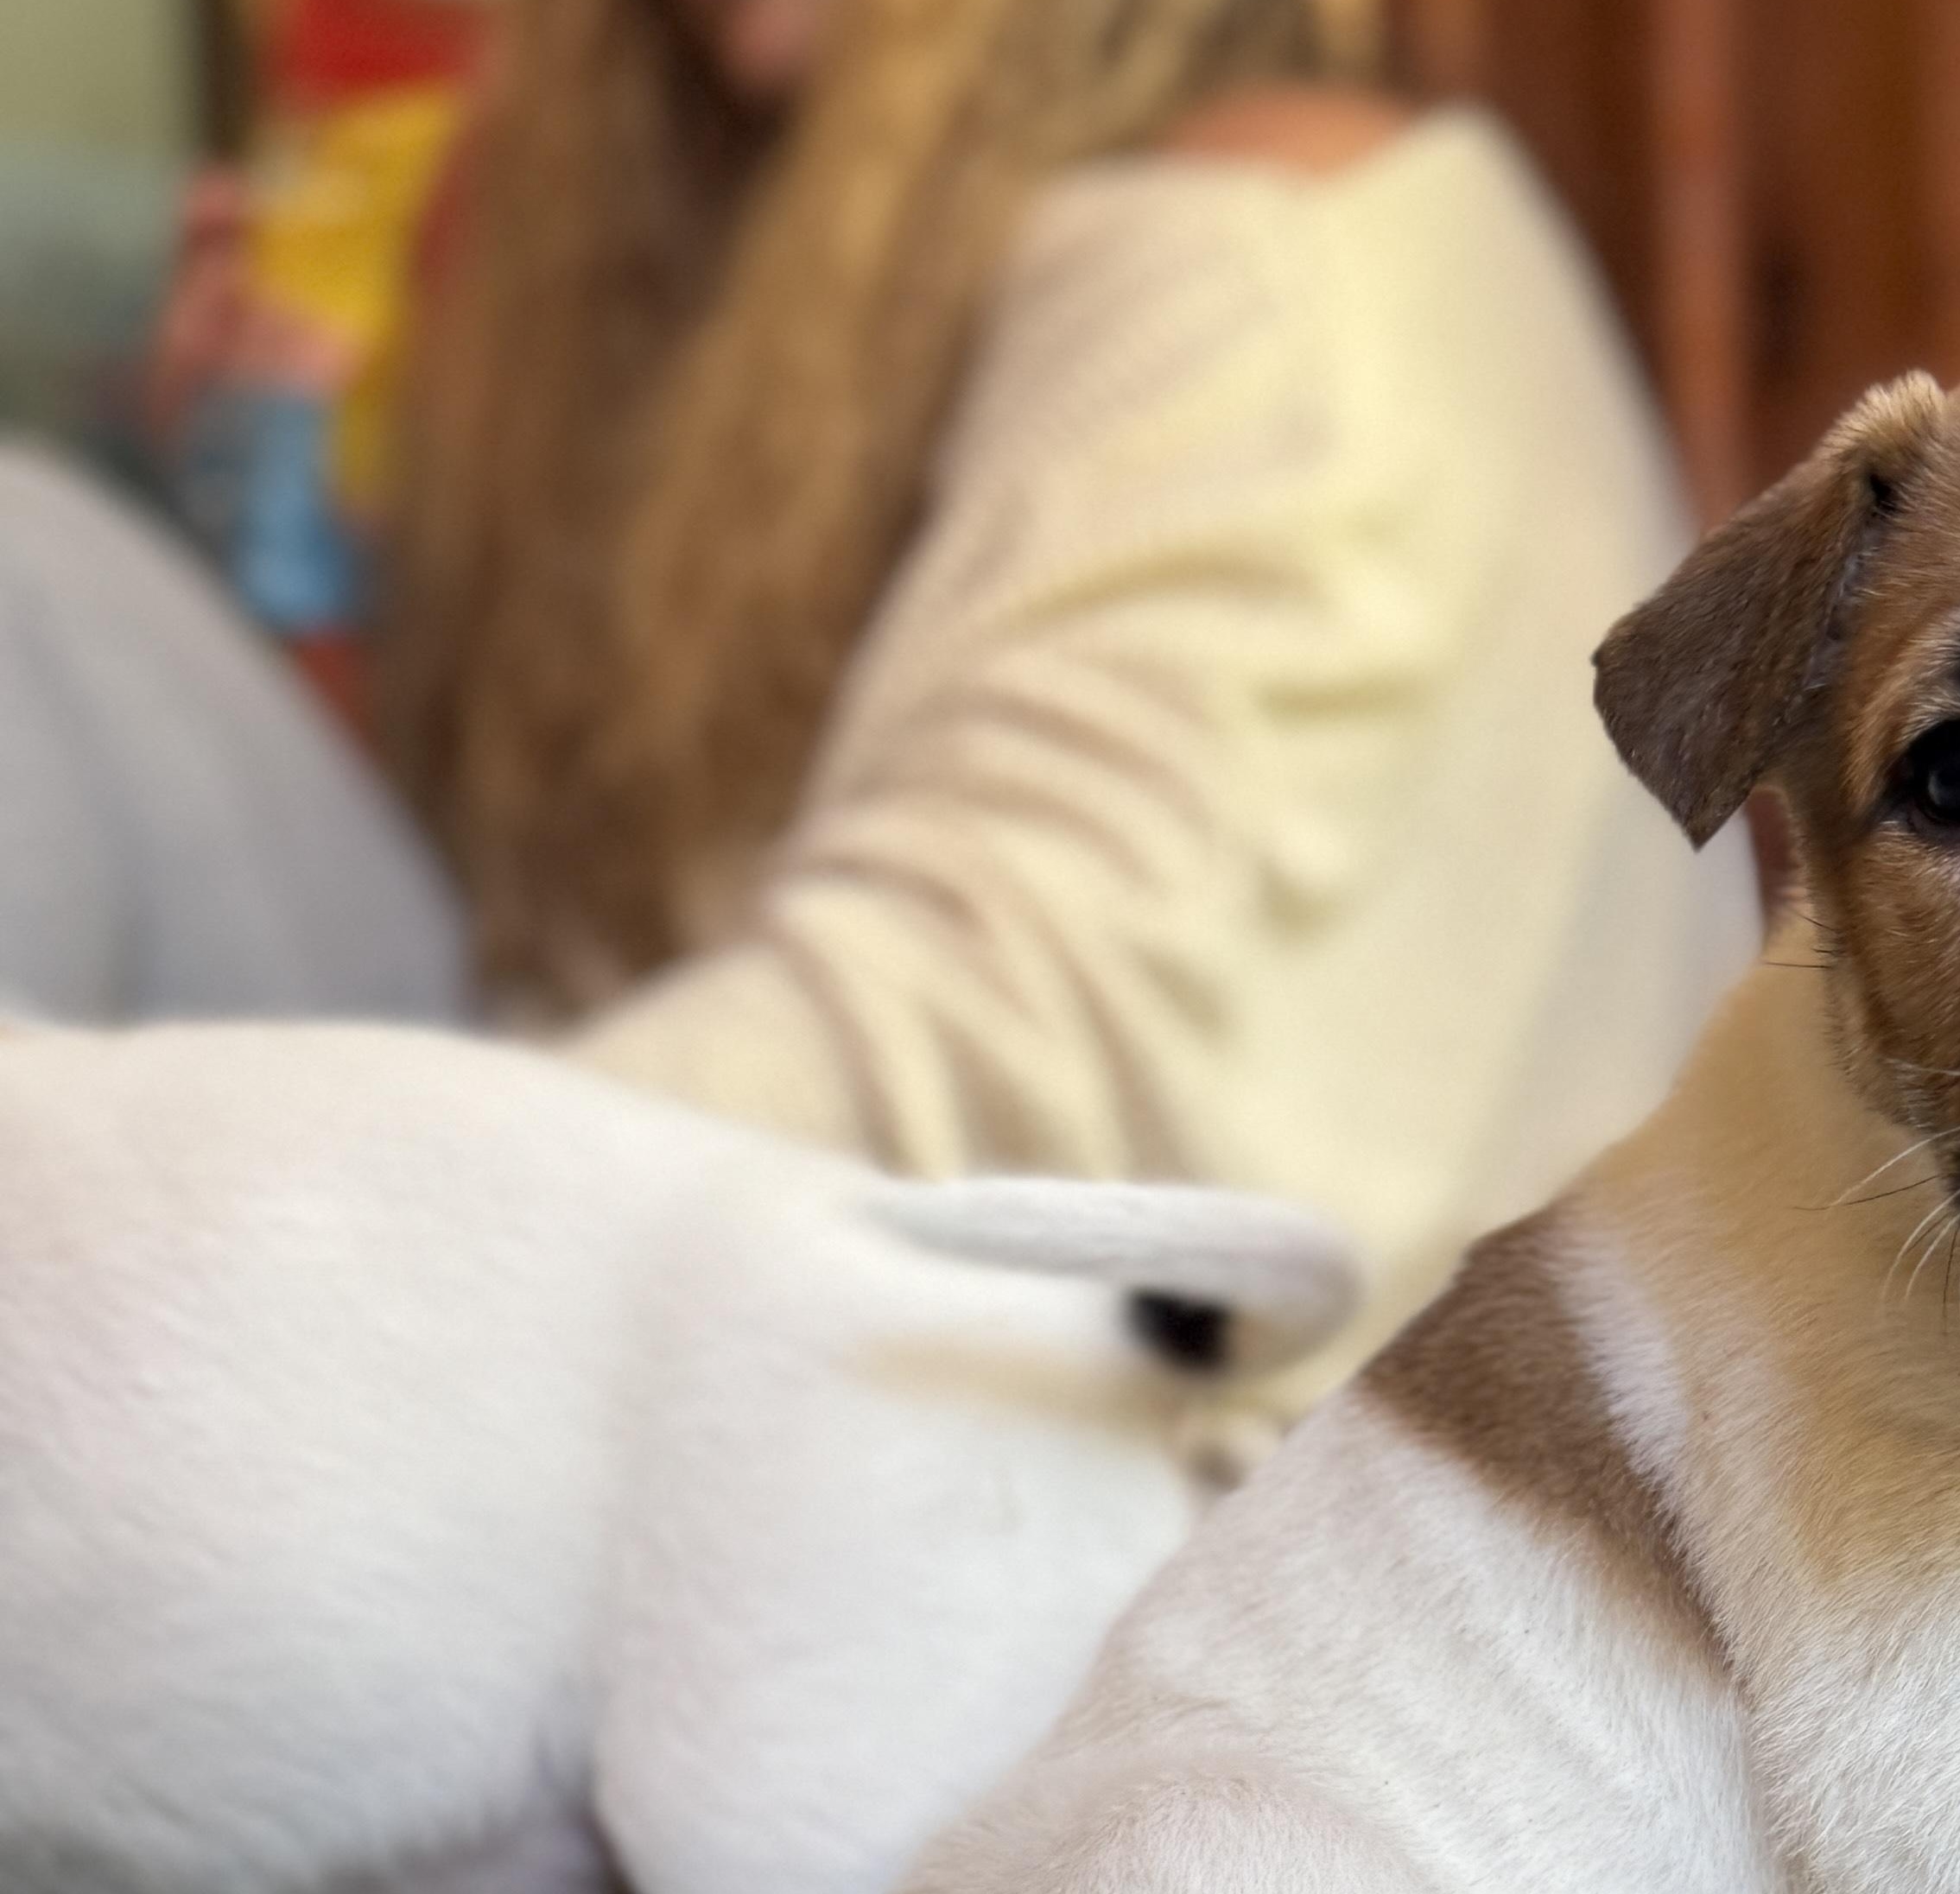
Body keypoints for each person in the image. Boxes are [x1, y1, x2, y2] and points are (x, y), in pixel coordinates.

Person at [4, 0, 1757, 1392]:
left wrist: (144, 1246)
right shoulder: (1030, 255)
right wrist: (290, 602)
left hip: (1145, 1587)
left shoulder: (1269, 262)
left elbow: (947, 1125)